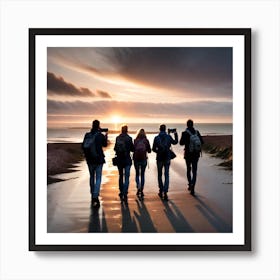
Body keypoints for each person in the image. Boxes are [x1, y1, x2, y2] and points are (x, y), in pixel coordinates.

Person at [82, 120, 108, 207]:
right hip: (99, 159)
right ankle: (95, 195)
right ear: (98, 126)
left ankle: (92, 193)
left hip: (90, 159)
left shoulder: (87, 135)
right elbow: (105, 145)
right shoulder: (100, 135)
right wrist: (106, 136)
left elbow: (83, 146)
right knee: (98, 177)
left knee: (92, 177)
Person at [152, 124, 178, 201]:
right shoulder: (168, 137)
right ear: (165, 129)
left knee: (160, 175)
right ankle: (165, 192)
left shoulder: (156, 138)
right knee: (166, 175)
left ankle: (161, 190)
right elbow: (175, 142)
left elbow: (153, 149)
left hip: (159, 158)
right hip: (167, 158)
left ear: (159, 129)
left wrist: (158, 151)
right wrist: (175, 133)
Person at [179, 119, 204, 195]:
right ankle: (193, 186)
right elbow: (202, 142)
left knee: (188, 169)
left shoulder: (184, 133)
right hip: (196, 154)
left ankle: (190, 184)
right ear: (193, 125)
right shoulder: (197, 132)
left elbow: (181, 143)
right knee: (194, 170)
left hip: (188, 154)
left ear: (187, 125)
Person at [114, 125, 134, 203]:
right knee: (126, 176)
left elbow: (115, 148)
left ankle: (121, 191)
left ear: (121, 130)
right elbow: (132, 149)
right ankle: (125, 192)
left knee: (120, 175)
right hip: (127, 159)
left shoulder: (118, 138)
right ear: (127, 130)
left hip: (119, 159)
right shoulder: (129, 138)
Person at [133, 128, 151, 198]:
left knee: (137, 173)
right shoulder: (146, 141)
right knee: (142, 174)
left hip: (136, 159)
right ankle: (142, 189)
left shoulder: (135, 140)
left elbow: (133, 149)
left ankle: (138, 187)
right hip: (143, 159)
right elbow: (149, 151)